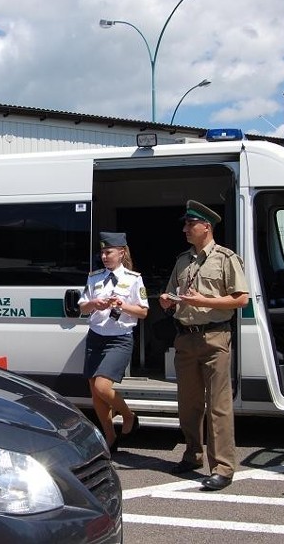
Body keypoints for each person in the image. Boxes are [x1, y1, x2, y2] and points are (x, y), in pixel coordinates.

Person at [159, 200, 249, 491]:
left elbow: (240, 299)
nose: (185, 228)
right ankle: (193, 453)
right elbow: (175, 294)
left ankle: (222, 467)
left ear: (206, 227)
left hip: (214, 337)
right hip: (185, 337)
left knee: (219, 406)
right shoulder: (182, 260)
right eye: (185, 224)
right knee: (188, 403)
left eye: (190, 224)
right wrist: (167, 302)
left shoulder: (226, 258)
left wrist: (204, 302)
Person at [78, 231, 149, 452]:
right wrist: (94, 303)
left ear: (121, 252)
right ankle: (110, 437)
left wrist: (121, 305)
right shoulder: (94, 277)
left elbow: (143, 312)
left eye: (108, 252)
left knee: (102, 386)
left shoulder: (134, 278)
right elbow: (82, 307)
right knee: (95, 392)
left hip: (119, 338)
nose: (104, 256)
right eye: (102, 252)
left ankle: (129, 416)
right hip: (96, 336)